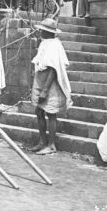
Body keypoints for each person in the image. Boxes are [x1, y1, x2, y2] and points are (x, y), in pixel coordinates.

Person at [29, 18, 72, 155]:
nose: (40, 31)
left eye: (43, 30)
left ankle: (51, 144)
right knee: (39, 111)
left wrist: (45, 90)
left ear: (48, 32)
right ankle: (42, 141)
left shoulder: (54, 45)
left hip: (50, 81)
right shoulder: (45, 43)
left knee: (50, 112)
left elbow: (54, 68)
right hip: (41, 78)